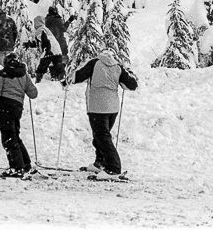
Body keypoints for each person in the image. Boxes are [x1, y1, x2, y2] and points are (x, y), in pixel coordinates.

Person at [67, 47, 138, 179]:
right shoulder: (118, 67)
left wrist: (66, 80)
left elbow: (77, 76)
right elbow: (131, 85)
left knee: (102, 137)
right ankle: (100, 163)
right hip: (113, 109)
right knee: (100, 135)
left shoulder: (94, 63)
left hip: (97, 107)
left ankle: (113, 168)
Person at [0, 52, 38, 177]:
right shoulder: (23, 74)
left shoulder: (2, 74)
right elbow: (33, 93)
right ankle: (26, 164)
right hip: (17, 108)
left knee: (8, 138)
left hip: (5, 108)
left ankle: (17, 167)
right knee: (15, 136)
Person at [24, 15, 64, 83]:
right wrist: (30, 44)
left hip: (49, 50)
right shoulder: (45, 29)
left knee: (42, 67)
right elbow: (40, 42)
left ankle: (38, 81)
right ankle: (60, 81)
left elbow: (44, 40)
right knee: (57, 68)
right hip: (57, 50)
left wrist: (46, 50)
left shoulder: (40, 30)